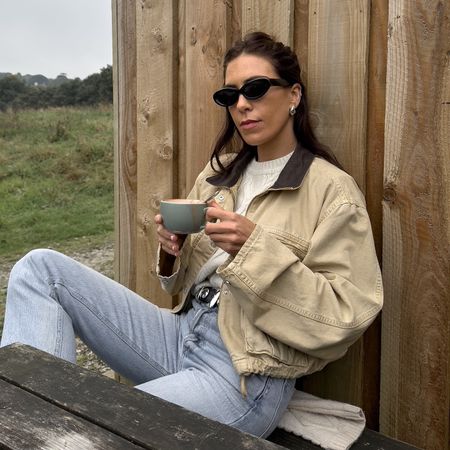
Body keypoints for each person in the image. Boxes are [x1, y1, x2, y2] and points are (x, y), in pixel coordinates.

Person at [0, 32, 382, 438]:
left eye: (255, 88)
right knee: (40, 268)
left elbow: (344, 317)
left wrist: (255, 248)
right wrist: (172, 251)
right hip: (182, 332)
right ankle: (31, 410)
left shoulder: (331, 191)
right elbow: (177, 285)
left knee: (96, 423)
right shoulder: (223, 173)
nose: (242, 104)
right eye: (229, 95)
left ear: (293, 95)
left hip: (242, 375)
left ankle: (39, 425)